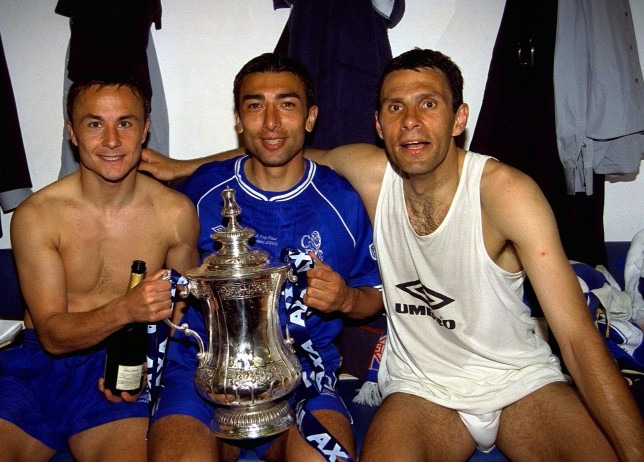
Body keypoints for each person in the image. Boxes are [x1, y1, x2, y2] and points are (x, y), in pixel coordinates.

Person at [140, 48, 644, 461]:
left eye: (428, 104)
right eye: (395, 108)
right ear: (379, 124)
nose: (411, 123)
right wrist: (184, 165)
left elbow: (578, 340)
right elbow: (276, 147)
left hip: (521, 381)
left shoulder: (505, 193)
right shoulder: (371, 177)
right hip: (420, 389)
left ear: (458, 118)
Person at [147, 53, 383, 462]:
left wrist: (345, 298)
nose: (271, 122)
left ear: (310, 117)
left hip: (304, 378)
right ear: (238, 119)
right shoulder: (201, 191)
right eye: (256, 106)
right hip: (203, 373)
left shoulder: (343, 201)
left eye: (287, 104)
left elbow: (376, 294)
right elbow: (158, 283)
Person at [0, 73, 200, 462]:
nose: (112, 141)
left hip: (120, 371)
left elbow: (184, 312)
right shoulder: (38, 215)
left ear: (145, 130)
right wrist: (127, 308)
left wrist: (151, 367)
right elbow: (51, 334)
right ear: (72, 133)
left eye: (125, 123)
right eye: (94, 124)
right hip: (37, 370)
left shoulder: (174, 213)